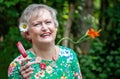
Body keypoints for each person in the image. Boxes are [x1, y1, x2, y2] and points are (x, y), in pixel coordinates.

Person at [8, 4, 82, 79]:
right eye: (37, 24)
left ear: (55, 27)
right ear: (27, 33)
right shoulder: (18, 65)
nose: (45, 28)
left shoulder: (69, 55)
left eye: (48, 22)